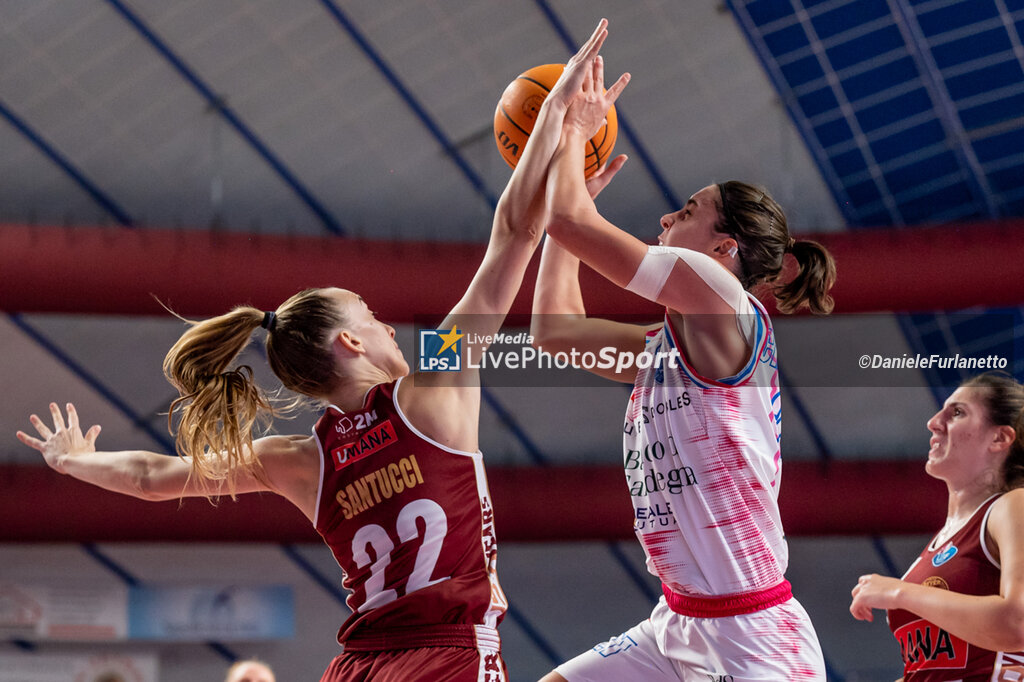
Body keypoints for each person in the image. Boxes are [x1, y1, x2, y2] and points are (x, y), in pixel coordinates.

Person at [14, 23, 616, 682]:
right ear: (352, 341)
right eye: (374, 315)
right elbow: (512, 236)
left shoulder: (301, 460)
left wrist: (75, 461)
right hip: (445, 659)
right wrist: (563, 132)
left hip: (357, 669)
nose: (389, 325)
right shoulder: (435, 388)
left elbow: (153, 480)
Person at [527, 21, 834, 681]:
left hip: (752, 635)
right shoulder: (666, 350)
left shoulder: (722, 295)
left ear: (725, 249)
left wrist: (574, 135)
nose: (666, 219)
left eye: (686, 210)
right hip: (676, 621)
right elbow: (553, 328)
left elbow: (569, 219)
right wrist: (568, 231)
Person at [850, 372, 1024, 680]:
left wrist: (898, 592)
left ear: (999, 438)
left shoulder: (1012, 505)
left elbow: (1018, 623)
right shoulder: (939, 544)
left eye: (957, 412)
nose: (933, 421)